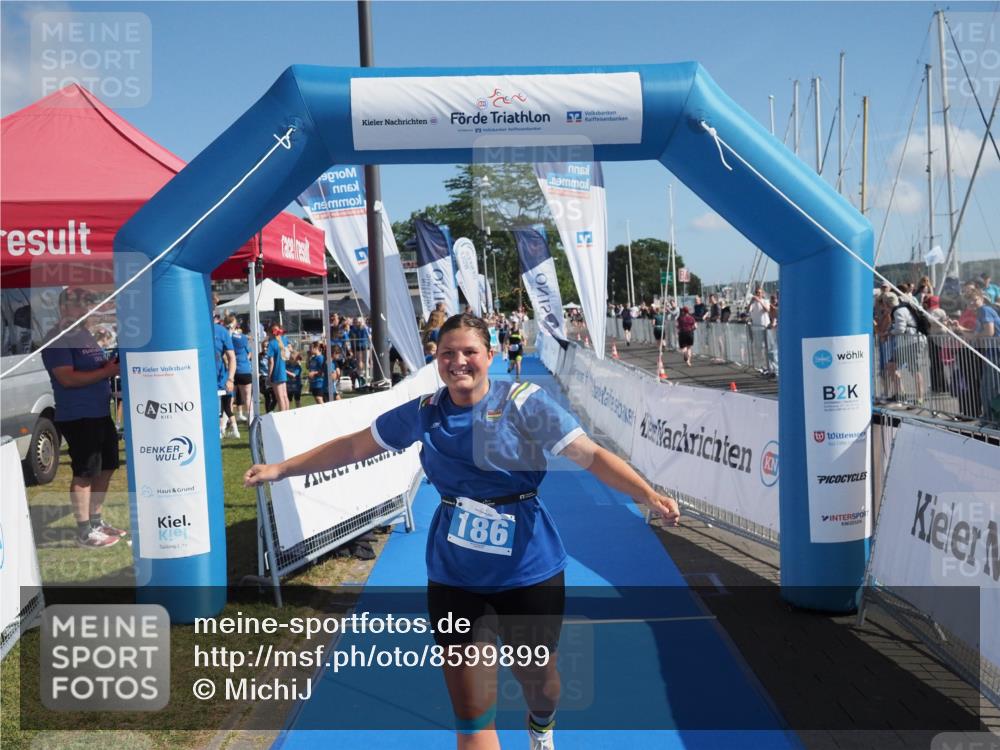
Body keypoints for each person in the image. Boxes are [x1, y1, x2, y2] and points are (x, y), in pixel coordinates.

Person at [244, 313, 680, 750]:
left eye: (469, 352)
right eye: (447, 353)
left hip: (529, 570)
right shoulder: (424, 412)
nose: (458, 362)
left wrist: (646, 494)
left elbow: (590, 455)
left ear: (489, 355)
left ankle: (541, 725)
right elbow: (355, 445)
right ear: (436, 359)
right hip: (456, 576)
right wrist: (281, 469)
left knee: (541, 685)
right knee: (472, 716)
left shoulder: (525, 403)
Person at [41, 288, 127, 548]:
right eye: (79, 305)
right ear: (63, 308)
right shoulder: (57, 338)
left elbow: (93, 367)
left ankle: (96, 521)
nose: (85, 309)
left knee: (108, 466)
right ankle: (84, 531)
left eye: (87, 304)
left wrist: (108, 366)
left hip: (99, 412)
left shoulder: (84, 334)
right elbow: (66, 378)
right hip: (78, 414)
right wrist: (106, 373)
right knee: (85, 472)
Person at [214, 313, 237, 439]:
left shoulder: (222, 332)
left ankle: (220, 430)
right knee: (227, 407)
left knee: (225, 407)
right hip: (199, 381)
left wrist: (230, 379)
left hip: (220, 380)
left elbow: (232, 357)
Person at [229, 316, 254, 424]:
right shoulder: (243, 338)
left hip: (233, 371)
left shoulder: (230, 337)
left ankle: (229, 422)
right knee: (247, 398)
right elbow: (250, 352)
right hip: (245, 370)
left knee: (230, 398)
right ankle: (251, 420)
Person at [267, 323, 290, 411]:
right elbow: (288, 353)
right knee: (285, 396)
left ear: (270, 332)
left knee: (280, 397)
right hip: (283, 371)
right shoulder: (284, 340)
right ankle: (287, 414)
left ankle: (283, 416)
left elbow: (271, 362)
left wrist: (269, 376)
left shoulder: (271, 344)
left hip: (276, 372)